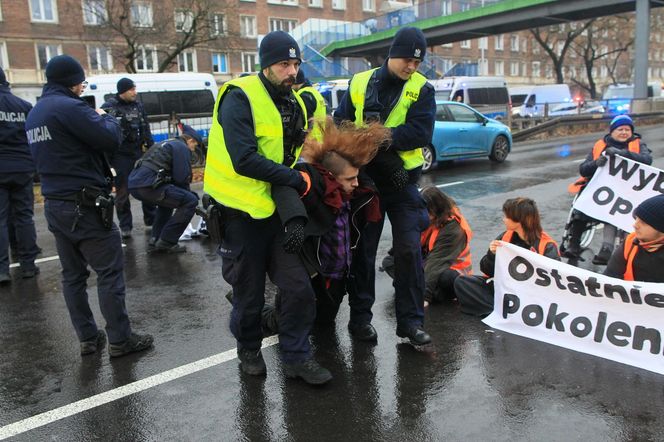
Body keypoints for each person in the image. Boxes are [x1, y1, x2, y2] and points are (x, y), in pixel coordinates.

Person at [203, 31, 331, 385]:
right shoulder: (238, 97)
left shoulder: (297, 102)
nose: (291, 71)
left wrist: (296, 202)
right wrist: (295, 181)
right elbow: (244, 160)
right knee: (249, 296)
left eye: (295, 64)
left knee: (298, 288)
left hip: (275, 213)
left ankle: (296, 356)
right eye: (283, 64)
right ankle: (248, 349)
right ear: (266, 65)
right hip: (240, 215)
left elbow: (294, 159)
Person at [26, 55, 153, 357]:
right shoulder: (70, 107)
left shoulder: (35, 113)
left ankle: (87, 338)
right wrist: (105, 116)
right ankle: (121, 340)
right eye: (81, 81)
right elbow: (109, 138)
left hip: (55, 204)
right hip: (84, 204)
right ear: (72, 80)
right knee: (109, 273)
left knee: (73, 276)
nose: (83, 87)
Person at [334, 27, 436, 346]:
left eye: (417, 63)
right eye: (407, 59)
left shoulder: (422, 88)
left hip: (403, 182)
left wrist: (385, 137)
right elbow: (341, 123)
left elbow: (421, 132)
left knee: (408, 249)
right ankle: (360, 319)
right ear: (393, 54)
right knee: (363, 252)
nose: (411, 67)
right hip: (367, 182)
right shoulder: (360, 83)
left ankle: (410, 322)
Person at [260, 118, 389, 334]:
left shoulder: (355, 197)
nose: (356, 183)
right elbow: (286, 186)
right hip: (313, 275)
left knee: (324, 324)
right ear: (332, 178)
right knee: (282, 323)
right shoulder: (315, 194)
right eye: (349, 179)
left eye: (356, 177)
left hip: (337, 278)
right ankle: (246, 303)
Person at [564, 115, 652, 265]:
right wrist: (597, 163)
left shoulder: (638, 145)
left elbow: (647, 160)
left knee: (614, 212)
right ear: (612, 131)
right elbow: (583, 169)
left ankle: (607, 249)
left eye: (627, 129)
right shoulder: (600, 145)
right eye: (620, 129)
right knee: (581, 207)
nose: (624, 132)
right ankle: (573, 245)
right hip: (602, 190)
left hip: (627, 192)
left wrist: (623, 154)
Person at [454, 197, 560, 317]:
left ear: (521, 220)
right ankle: (501, 312)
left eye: (507, 216)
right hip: (505, 288)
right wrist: (491, 255)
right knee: (462, 281)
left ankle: (504, 312)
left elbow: (553, 283)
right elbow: (487, 270)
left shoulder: (546, 245)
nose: (504, 219)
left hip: (529, 294)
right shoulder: (505, 237)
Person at [381, 186, 473, 307]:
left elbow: (436, 262)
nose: (422, 214)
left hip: (451, 270)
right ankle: (419, 286)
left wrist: (424, 296)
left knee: (446, 278)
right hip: (428, 261)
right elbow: (409, 243)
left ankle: (423, 289)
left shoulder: (454, 229)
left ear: (436, 210)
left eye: (426, 211)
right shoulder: (428, 217)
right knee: (390, 262)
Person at [128, 125, 201, 253]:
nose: (194, 149)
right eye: (194, 145)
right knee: (190, 201)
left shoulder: (167, 143)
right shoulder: (182, 147)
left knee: (168, 202)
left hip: (135, 185)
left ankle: (156, 239)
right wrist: (189, 194)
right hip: (148, 185)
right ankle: (168, 241)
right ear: (190, 141)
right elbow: (181, 177)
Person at [0, 66, 40, 284]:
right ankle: (28, 265)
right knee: (24, 217)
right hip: (23, 167)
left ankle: (2, 269)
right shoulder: (24, 106)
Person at [101, 77, 155, 239]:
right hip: (120, 156)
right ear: (122, 91)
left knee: (146, 186)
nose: (134, 92)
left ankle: (151, 220)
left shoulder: (138, 106)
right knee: (123, 192)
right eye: (131, 89)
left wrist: (150, 149)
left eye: (134, 89)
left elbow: (145, 128)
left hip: (138, 152)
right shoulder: (109, 107)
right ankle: (125, 226)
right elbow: (104, 131)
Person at [604, 194, 664, 283]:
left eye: (643, 223)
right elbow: (609, 277)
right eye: (636, 218)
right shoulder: (630, 242)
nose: (635, 225)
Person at [293, 70, 327, 143]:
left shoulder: (303, 96)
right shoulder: (314, 92)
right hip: (319, 141)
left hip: (310, 142)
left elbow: (305, 122)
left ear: (295, 82)